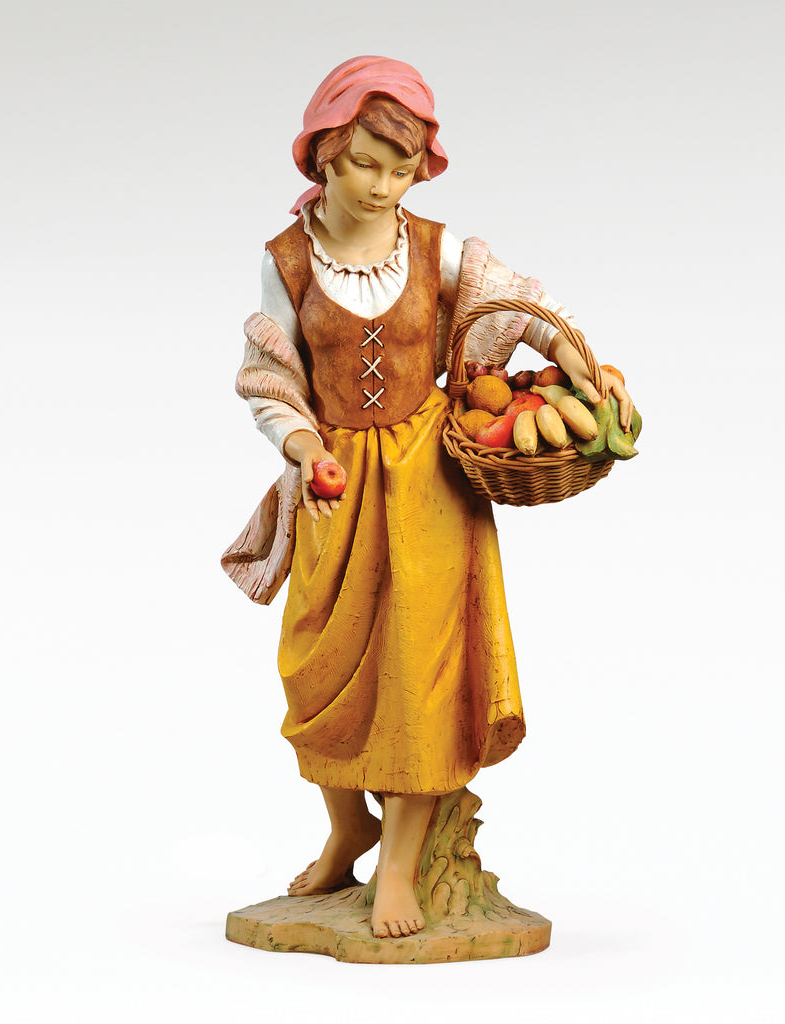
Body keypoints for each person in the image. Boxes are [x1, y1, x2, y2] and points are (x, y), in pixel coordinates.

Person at [222, 55, 632, 939]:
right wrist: (303, 447)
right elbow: (270, 377)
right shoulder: (287, 261)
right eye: (364, 163)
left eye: (400, 169)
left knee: (421, 672)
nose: (381, 185)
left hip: (430, 480)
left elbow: (520, 308)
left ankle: (402, 867)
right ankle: (347, 830)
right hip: (333, 484)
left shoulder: (437, 248)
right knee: (314, 667)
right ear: (324, 153)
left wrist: (580, 363)